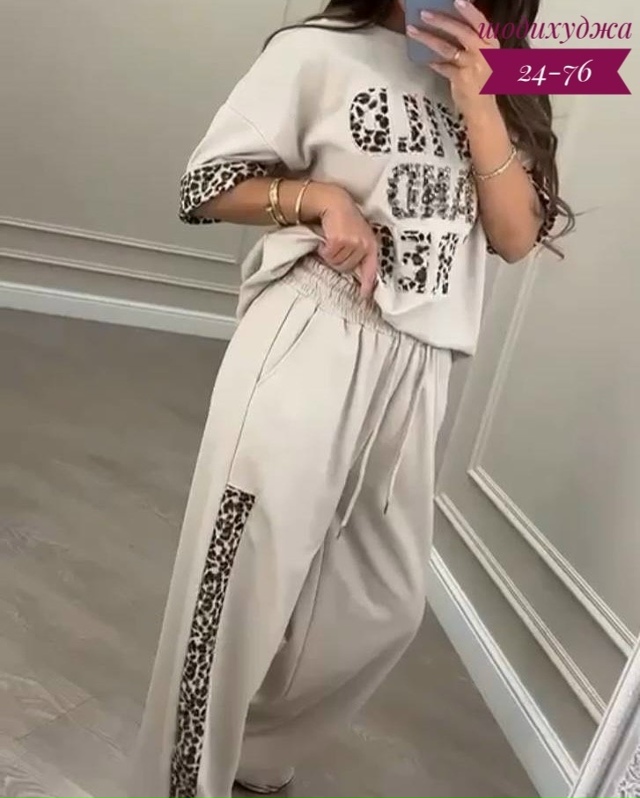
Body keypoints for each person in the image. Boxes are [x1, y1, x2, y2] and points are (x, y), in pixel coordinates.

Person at [129, 1, 574, 797]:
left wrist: (481, 97)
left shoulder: (511, 80)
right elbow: (205, 183)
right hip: (313, 332)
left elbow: (513, 237)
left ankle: (254, 760)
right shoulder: (319, 50)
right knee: (236, 595)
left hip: (421, 368)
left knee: (382, 606)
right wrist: (320, 200)